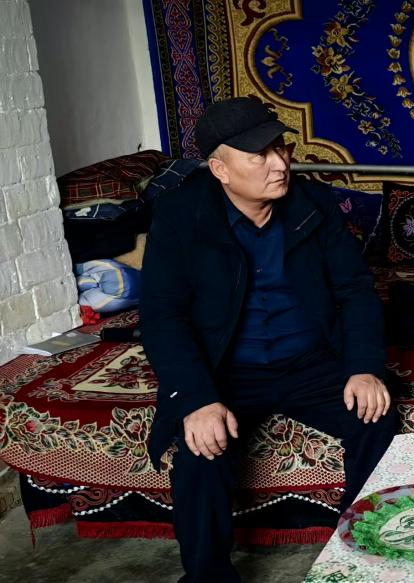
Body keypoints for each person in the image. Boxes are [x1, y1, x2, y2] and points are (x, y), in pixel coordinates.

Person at [142, 97, 397, 582]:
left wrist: (364, 367)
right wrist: (196, 398)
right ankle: (208, 577)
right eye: (259, 155)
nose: (280, 163)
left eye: (281, 148)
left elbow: (355, 291)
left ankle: (360, 554)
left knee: (377, 417)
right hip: (226, 368)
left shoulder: (313, 202)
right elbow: (162, 315)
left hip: (311, 361)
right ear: (220, 169)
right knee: (200, 451)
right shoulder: (180, 214)